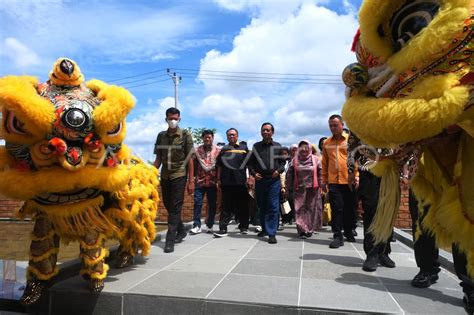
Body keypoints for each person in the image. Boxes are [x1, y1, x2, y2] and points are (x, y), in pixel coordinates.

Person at [347, 132, 395, 271]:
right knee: (371, 210)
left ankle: (384, 251)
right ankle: (372, 253)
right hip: (368, 169)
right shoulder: (358, 121)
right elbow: (351, 149)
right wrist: (350, 171)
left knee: (387, 210)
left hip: (389, 169)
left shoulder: (390, 118)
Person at [154, 107, 194, 253]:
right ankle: (182, 230)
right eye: (170, 118)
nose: (173, 121)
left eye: (175, 118)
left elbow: (190, 159)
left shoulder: (185, 135)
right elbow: (158, 158)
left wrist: (191, 181)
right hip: (165, 175)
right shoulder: (161, 136)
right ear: (166, 119)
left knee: (175, 207)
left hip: (179, 174)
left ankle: (170, 240)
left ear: (179, 119)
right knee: (167, 204)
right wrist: (150, 172)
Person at [321, 114, 357, 248]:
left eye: (335, 125)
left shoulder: (350, 140)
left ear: (342, 125)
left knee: (350, 208)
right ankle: (337, 236)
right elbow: (324, 163)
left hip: (349, 179)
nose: (333, 128)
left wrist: (356, 175)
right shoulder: (327, 143)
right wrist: (324, 180)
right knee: (337, 209)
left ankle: (348, 232)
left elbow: (356, 159)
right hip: (333, 181)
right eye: (330, 125)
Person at [248, 122, 285, 244]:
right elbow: (250, 163)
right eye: (263, 130)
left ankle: (271, 233)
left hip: (273, 180)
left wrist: (278, 171)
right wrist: (253, 174)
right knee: (262, 205)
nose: (265, 132)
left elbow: (282, 163)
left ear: (272, 132)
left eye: (268, 130)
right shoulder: (256, 146)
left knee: (273, 206)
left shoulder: (278, 146)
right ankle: (264, 229)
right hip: (260, 180)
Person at [214, 128, 250, 237]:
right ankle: (223, 228)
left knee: (242, 205)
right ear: (227, 137)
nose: (231, 137)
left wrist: (250, 178)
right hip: (226, 182)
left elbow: (249, 165)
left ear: (237, 136)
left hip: (241, 181)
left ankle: (243, 227)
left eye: (233, 135)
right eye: (229, 135)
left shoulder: (244, 148)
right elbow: (219, 165)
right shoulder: (224, 149)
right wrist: (218, 179)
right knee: (226, 206)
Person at [286, 140, 322, 238]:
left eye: (306, 147)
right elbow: (290, 174)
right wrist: (287, 187)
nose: (304, 149)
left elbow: (320, 173)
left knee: (310, 209)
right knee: (299, 209)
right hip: (299, 188)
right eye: (302, 147)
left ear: (310, 148)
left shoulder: (316, 159)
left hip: (313, 188)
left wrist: (322, 185)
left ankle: (309, 229)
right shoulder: (295, 160)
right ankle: (301, 230)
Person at [190, 130, 220, 235]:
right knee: (197, 203)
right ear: (202, 138)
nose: (207, 139)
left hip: (213, 182)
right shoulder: (197, 150)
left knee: (212, 204)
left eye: (209, 137)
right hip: (200, 181)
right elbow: (192, 165)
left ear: (212, 138)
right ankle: (196, 225)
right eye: (205, 137)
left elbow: (220, 166)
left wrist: (219, 180)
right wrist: (191, 180)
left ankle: (210, 225)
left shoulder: (218, 151)